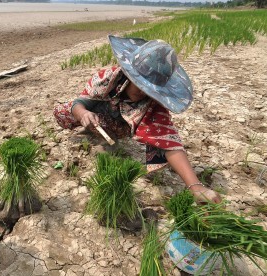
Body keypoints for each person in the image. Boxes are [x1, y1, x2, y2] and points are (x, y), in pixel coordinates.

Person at [53, 35, 222, 204]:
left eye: (149, 89)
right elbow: (80, 102)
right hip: (96, 113)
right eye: (139, 84)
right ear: (128, 74)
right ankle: (90, 128)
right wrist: (83, 114)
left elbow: (169, 142)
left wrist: (196, 187)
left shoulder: (153, 107)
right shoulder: (108, 79)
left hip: (118, 128)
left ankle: (106, 136)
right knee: (66, 110)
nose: (143, 91)